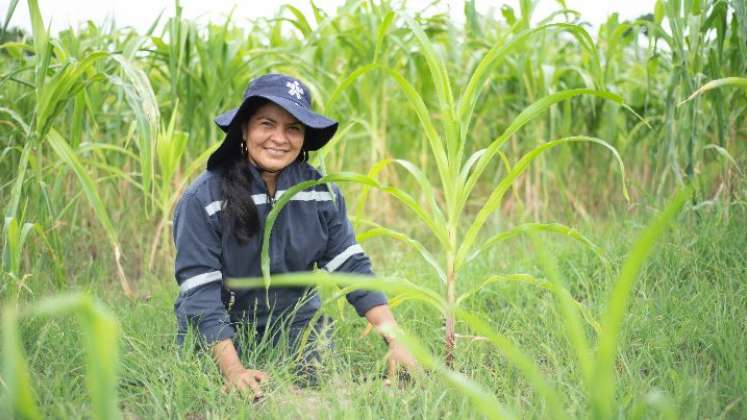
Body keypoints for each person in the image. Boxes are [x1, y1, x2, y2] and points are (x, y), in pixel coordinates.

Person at [172, 73, 415, 399]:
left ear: (304, 138)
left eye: (293, 128)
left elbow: (352, 268)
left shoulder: (320, 193)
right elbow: (199, 292)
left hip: (297, 327)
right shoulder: (203, 198)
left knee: (319, 386)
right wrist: (234, 371)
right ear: (245, 128)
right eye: (267, 124)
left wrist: (397, 341)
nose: (279, 138)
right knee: (222, 393)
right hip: (223, 330)